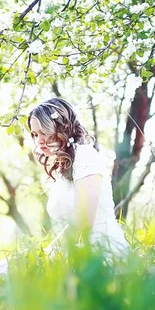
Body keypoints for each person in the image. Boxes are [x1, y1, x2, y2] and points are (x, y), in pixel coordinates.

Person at [28, 97, 129, 258]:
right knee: (6, 267)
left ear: (62, 128)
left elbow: (85, 224)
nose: (38, 140)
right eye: (34, 134)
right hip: (76, 246)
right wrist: (44, 253)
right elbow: (70, 227)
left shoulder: (85, 156)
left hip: (101, 248)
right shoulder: (64, 169)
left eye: (44, 132)